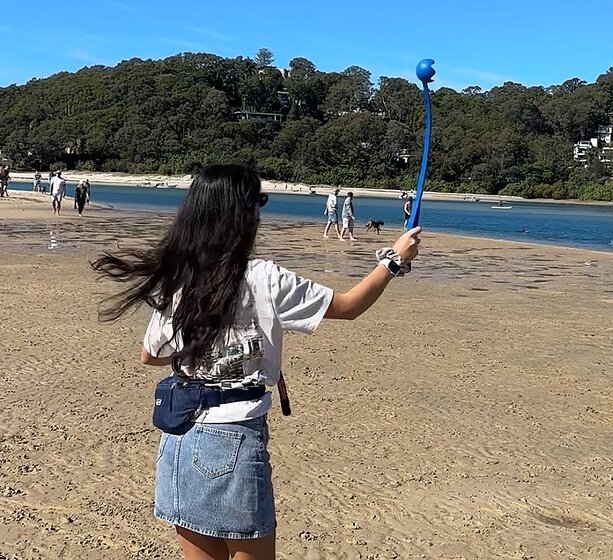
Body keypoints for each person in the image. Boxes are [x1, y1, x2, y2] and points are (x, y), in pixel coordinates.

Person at [91, 164, 421, 560]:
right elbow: (349, 306)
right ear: (242, 215)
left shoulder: (180, 276)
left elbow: (150, 356)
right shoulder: (264, 277)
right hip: (234, 437)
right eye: (255, 205)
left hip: (178, 438)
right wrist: (393, 261)